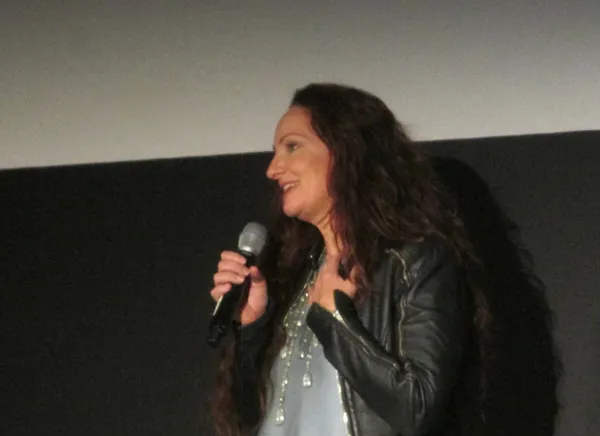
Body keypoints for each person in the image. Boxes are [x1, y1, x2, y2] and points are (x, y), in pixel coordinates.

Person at [209, 83, 488, 436]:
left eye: (292, 147)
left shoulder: (413, 262)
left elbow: (417, 407)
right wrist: (252, 327)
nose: (273, 169)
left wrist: (336, 320)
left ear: (345, 151)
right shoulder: (294, 274)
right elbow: (247, 415)